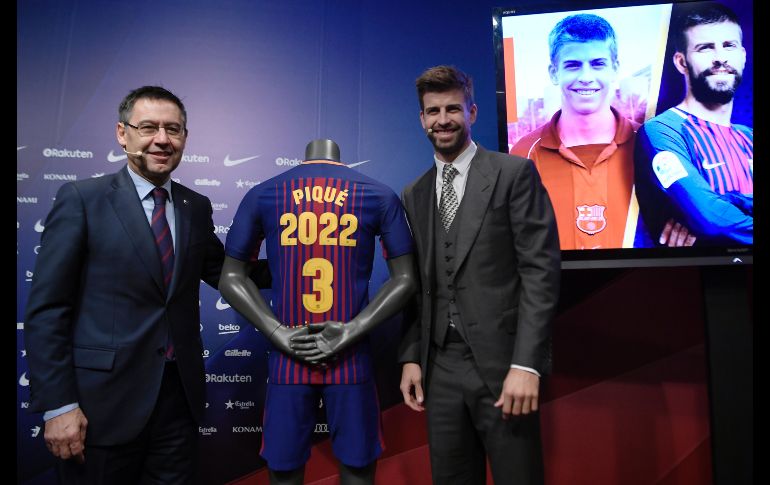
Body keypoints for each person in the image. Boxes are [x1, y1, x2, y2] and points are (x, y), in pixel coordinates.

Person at [24, 86, 227, 484]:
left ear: (185, 137)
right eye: (148, 127)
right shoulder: (83, 199)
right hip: (99, 409)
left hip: (177, 407)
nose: (162, 140)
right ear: (122, 133)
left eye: (174, 129)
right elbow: (48, 311)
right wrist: (58, 406)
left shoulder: (196, 206)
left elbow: (227, 274)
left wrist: (303, 263)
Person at [219, 139, 416, 485]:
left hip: (290, 354)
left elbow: (231, 278)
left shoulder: (265, 194)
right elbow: (406, 280)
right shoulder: (377, 194)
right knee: (354, 469)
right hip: (349, 355)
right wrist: (352, 330)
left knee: (285, 469)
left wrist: (278, 331)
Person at [398, 65, 560, 484]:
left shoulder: (513, 174)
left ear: (472, 112)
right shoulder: (413, 192)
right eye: (433, 111)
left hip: (504, 367)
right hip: (441, 369)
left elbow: (540, 273)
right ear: (422, 119)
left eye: (453, 108)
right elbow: (418, 284)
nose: (443, 119)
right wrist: (413, 356)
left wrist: (527, 364)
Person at [510, 13, 691, 249]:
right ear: (554, 72)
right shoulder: (523, 153)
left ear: (615, 69)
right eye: (573, 65)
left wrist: (688, 225)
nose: (586, 77)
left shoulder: (654, 146)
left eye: (598, 64)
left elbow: (694, 213)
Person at [634, 1, 752, 245]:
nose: (720, 58)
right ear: (681, 62)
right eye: (705, 48)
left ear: (742, 56)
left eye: (729, 46)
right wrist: (711, 213)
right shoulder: (663, 131)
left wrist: (728, 201)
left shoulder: (749, 136)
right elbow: (712, 221)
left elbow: (710, 215)